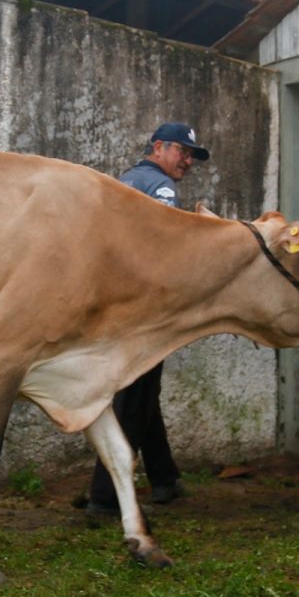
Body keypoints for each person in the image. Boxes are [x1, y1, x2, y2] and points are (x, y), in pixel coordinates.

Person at [87, 122, 210, 516]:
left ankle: (165, 478)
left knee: (144, 394)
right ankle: (103, 498)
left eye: (191, 155)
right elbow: (165, 246)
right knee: (133, 401)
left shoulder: (125, 181)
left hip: (119, 305)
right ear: (158, 147)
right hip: (147, 311)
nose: (188, 161)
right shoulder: (161, 188)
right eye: (183, 152)